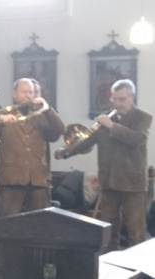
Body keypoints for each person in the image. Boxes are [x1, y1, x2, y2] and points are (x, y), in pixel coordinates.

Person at [55, 79, 152, 251]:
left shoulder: (143, 118)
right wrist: (67, 151)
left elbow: (137, 139)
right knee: (108, 231)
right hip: (108, 183)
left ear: (132, 97)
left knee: (135, 232)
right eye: (114, 99)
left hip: (133, 184)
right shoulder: (105, 118)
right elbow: (87, 140)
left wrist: (112, 126)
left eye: (122, 99)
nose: (117, 104)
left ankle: (139, 275)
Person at [0, 78, 64, 218]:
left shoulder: (43, 115)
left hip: (38, 180)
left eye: (31, 92)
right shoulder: (3, 114)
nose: (28, 95)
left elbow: (59, 131)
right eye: (24, 92)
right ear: (14, 94)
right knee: (8, 225)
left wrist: (47, 108)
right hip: (11, 180)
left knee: (39, 225)